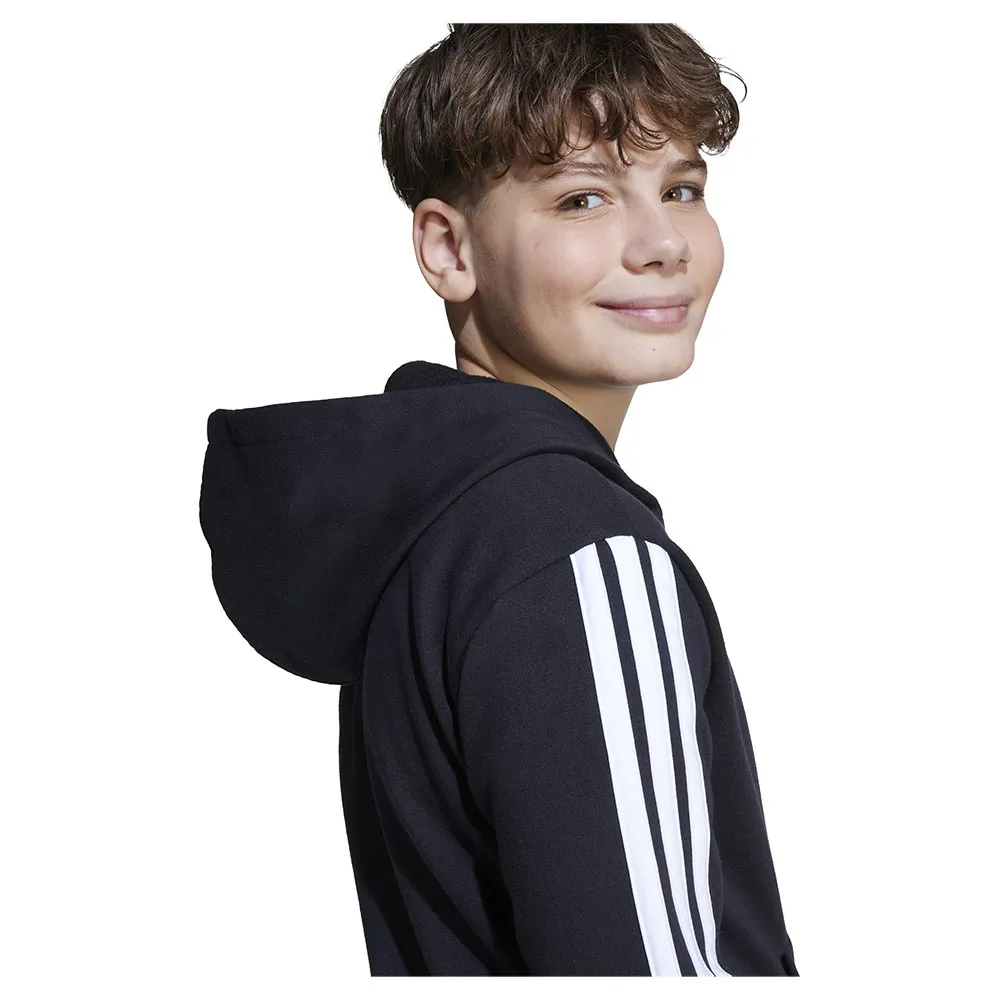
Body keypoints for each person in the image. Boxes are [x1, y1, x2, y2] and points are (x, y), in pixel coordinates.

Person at [199, 23, 798, 976]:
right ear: (448, 249)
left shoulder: (440, 525)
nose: (662, 245)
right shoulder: (576, 547)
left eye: (682, 189)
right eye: (582, 198)